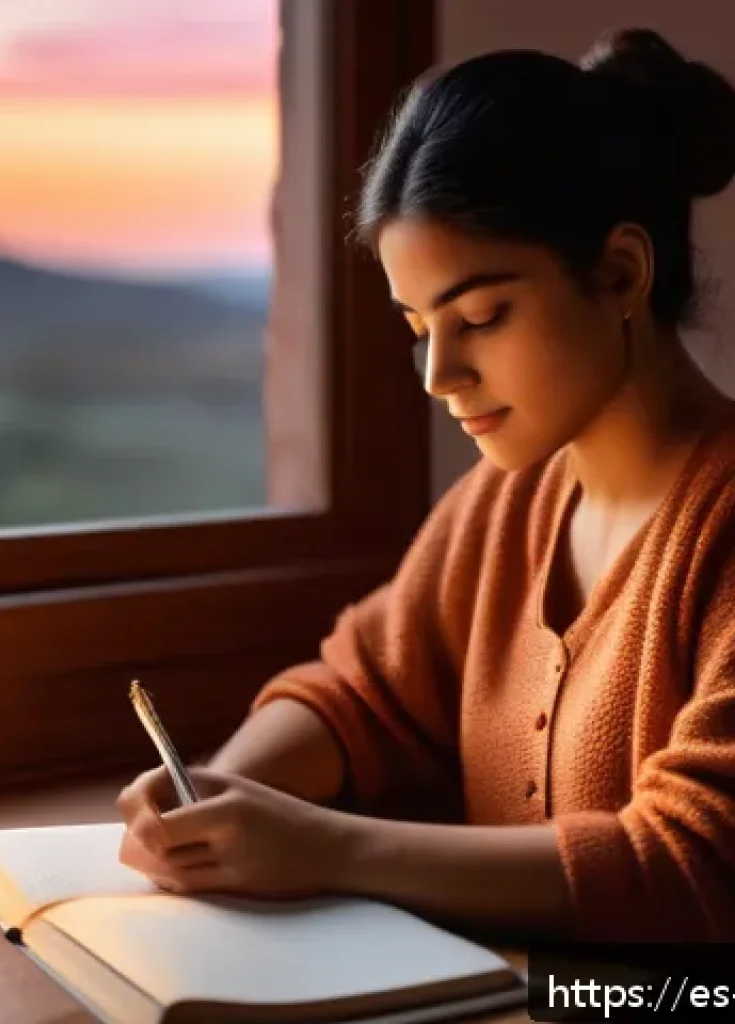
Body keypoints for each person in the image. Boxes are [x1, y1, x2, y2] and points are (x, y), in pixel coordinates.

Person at [117, 27, 735, 944]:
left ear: (620, 274)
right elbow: (360, 690)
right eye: (418, 325)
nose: (438, 373)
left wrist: (326, 849)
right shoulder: (506, 505)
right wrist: (222, 796)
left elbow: (693, 865)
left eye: (481, 316)